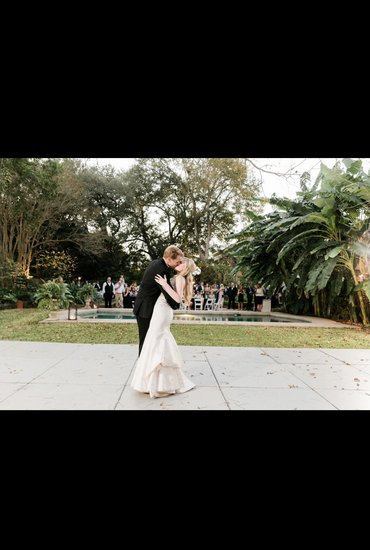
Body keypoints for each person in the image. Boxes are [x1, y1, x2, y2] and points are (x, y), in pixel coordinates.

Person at [131, 257, 197, 398]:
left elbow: (178, 299)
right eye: (178, 262)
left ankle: (157, 381)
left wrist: (164, 284)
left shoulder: (180, 278)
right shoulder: (178, 277)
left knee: (156, 339)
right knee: (155, 340)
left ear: (186, 267)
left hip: (163, 311)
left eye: (182, 263)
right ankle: (155, 379)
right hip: (160, 309)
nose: (179, 264)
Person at [133, 245, 184, 356]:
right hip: (145, 309)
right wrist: (176, 305)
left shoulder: (157, 263)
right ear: (170, 259)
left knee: (148, 340)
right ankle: (142, 369)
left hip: (145, 306)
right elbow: (167, 292)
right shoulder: (161, 269)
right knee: (146, 340)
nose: (179, 264)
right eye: (178, 261)